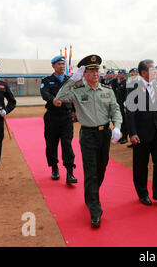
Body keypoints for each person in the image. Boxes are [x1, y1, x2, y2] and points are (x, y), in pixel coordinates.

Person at [56, 54, 122, 228]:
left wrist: (117, 126)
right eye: (90, 70)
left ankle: (90, 194)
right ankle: (95, 209)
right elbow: (59, 98)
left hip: (104, 135)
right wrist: (71, 80)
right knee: (91, 171)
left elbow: (115, 110)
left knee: (101, 168)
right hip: (88, 135)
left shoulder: (107, 91)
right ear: (84, 74)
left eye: (96, 70)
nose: (95, 73)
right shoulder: (77, 92)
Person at [126, 59, 157, 208]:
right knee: (140, 165)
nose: (156, 72)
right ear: (144, 73)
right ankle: (143, 194)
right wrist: (132, 133)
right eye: (152, 70)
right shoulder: (134, 87)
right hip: (141, 134)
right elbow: (130, 112)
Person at [40, 55, 77, 184]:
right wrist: (53, 100)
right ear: (53, 66)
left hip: (66, 117)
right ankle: (54, 168)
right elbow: (44, 93)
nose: (62, 66)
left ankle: (69, 172)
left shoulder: (70, 80)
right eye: (59, 64)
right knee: (51, 144)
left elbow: (75, 95)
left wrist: (75, 112)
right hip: (52, 117)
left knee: (67, 144)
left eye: (63, 64)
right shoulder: (47, 80)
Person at [115, 69, 129, 144]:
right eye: (119, 73)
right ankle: (123, 136)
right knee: (121, 121)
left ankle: (125, 137)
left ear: (125, 75)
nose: (119, 75)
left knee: (124, 121)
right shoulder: (120, 82)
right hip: (119, 104)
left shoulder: (126, 82)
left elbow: (127, 93)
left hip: (124, 105)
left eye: (121, 73)